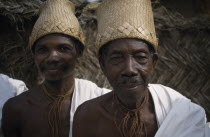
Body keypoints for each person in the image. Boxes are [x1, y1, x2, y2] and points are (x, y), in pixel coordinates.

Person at [73, 0, 209, 137]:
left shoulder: (179, 113)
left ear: (153, 61)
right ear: (102, 64)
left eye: (140, 57)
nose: (130, 69)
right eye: (117, 58)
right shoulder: (88, 117)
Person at [1, 0, 109, 137]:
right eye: (42, 50)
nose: (52, 57)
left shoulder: (100, 102)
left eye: (63, 48)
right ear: (34, 55)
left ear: (79, 52)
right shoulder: (17, 108)